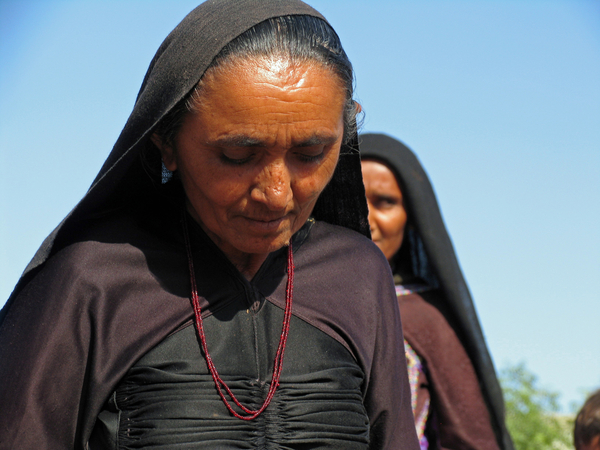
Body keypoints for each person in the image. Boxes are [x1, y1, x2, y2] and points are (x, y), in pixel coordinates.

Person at [0, 3, 419, 449]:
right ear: (166, 142)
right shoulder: (92, 284)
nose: (276, 193)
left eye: (311, 152)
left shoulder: (358, 277)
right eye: (238, 156)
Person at [360, 133, 514, 450]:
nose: (366, 218)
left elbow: (472, 440)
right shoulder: (288, 301)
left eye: (385, 203)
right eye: (353, 198)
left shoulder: (426, 318)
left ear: (411, 218)